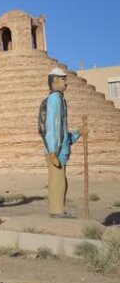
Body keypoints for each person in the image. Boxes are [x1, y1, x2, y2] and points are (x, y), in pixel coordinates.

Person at [39, 67, 86, 218]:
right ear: (55, 80)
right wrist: (52, 151)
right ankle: (56, 211)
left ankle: (59, 210)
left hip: (60, 150)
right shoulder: (55, 99)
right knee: (57, 181)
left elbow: (63, 132)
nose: (66, 83)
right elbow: (52, 125)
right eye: (63, 79)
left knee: (61, 181)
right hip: (55, 152)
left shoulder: (60, 99)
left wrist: (78, 133)